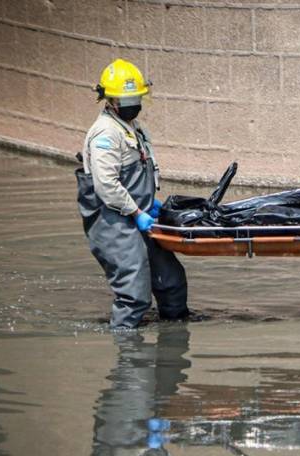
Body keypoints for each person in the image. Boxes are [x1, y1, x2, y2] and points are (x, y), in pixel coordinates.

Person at [76, 59, 188, 329]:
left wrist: (150, 204)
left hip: (139, 214)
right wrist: (136, 212)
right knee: (134, 294)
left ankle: (174, 341)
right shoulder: (105, 134)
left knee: (171, 282)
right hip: (113, 221)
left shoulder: (134, 129)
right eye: (126, 99)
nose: (133, 103)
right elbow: (106, 185)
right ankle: (128, 352)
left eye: (136, 98)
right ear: (110, 100)